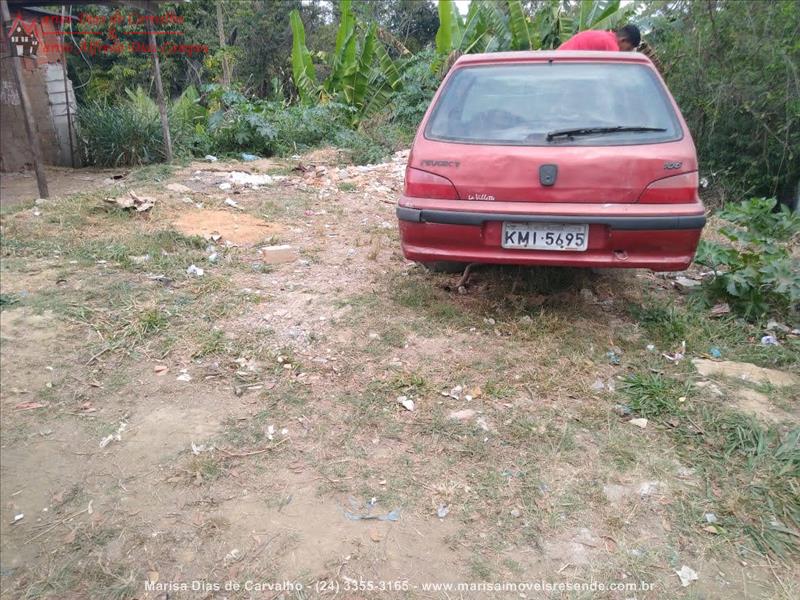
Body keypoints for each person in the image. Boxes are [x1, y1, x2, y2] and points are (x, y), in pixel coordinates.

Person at [557, 24, 641, 52]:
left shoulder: (605, 36)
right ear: (623, 40)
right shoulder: (611, 46)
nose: (625, 52)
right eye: (628, 48)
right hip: (566, 64)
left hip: (556, 58)